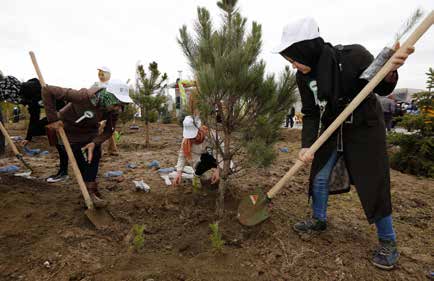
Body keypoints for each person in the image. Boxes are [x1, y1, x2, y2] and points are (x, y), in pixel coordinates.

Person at [272, 17, 414, 270]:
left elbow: (380, 86)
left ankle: (388, 241)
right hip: (332, 128)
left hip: (364, 128)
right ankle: (318, 219)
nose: (293, 64)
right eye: (289, 60)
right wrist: (306, 145)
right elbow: (310, 112)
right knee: (319, 176)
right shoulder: (302, 78)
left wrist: (390, 70)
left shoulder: (353, 56)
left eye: (294, 57)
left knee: (373, 183)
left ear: (306, 48)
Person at [42, 80, 133, 206]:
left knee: (94, 156)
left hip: (90, 132)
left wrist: (94, 143)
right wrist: (53, 120)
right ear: (108, 97)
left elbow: (108, 131)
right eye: (117, 104)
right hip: (69, 130)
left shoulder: (112, 111)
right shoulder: (82, 96)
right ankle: (88, 191)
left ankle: (90, 192)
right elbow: (47, 90)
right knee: (80, 161)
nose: (119, 109)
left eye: (122, 105)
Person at [0, 74, 67, 174]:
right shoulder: (25, 96)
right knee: (41, 132)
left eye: (8, 96)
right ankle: (63, 170)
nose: (11, 100)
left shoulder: (30, 89)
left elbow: (47, 98)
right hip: (53, 115)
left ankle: (64, 171)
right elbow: (34, 116)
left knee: (60, 141)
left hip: (62, 112)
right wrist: (28, 138)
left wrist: (56, 119)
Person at [173, 115, 220, 188]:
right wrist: (179, 173)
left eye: (194, 137)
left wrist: (218, 169)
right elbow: (182, 156)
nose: (192, 140)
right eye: (190, 137)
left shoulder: (211, 135)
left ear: (199, 129)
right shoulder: (186, 140)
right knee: (207, 178)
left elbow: (221, 152)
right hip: (199, 162)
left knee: (229, 167)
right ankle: (197, 175)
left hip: (213, 159)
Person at [92, 66, 119, 156]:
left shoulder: (111, 85)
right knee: (100, 130)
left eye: (102, 74)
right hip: (98, 111)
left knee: (109, 130)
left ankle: (112, 149)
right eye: (99, 74)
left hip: (109, 111)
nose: (100, 76)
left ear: (107, 75)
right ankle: (98, 150)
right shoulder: (96, 84)